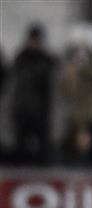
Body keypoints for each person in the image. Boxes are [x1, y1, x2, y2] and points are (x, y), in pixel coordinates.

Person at [10, 23, 55, 165]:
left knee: (42, 149)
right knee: (21, 147)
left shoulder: (45, 60)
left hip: (39, 110)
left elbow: (46, 81)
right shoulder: (22, 58)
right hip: (22, 108)